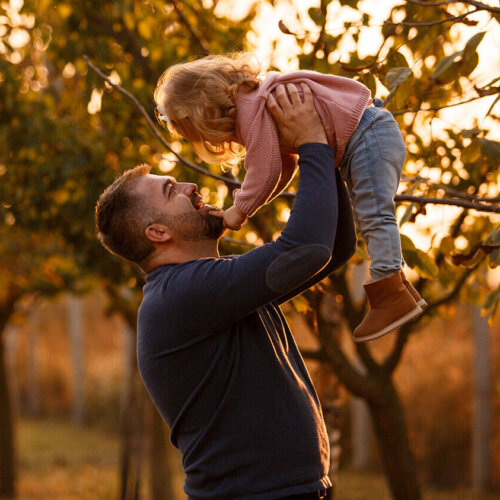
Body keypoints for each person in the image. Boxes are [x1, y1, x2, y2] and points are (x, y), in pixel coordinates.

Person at [96, 83, 356, 499]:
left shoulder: (210, 286)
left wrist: (326, 146)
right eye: (171, 191)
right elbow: (306, 250)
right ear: (157, 232)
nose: (189, 187)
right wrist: (311, 143)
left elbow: (334, 247)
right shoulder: (181, 297)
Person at [154, 53, 426, 343]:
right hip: (366, 135)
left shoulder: (250, 111)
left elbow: (265, 168)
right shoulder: (253, 102)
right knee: (371, 214)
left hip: (366, 135)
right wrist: (253, 203)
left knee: (374, 215)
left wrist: (239, 209)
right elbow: (284, 166)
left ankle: (391, 296)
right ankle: (401, 290)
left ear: (202, 113)